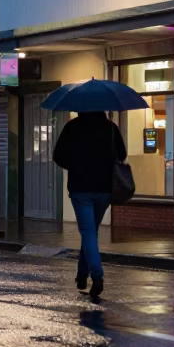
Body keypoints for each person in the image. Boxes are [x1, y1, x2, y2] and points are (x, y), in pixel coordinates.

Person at [53, 110, 125, 297]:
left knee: (88, 232)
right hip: (104, 189)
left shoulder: (72, 126)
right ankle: (82, 275)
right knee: (90, 231)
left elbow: (58, 156)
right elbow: (122, 154)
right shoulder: (111, 128)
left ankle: (97, 275)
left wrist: (77, 166)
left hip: (80, 188)